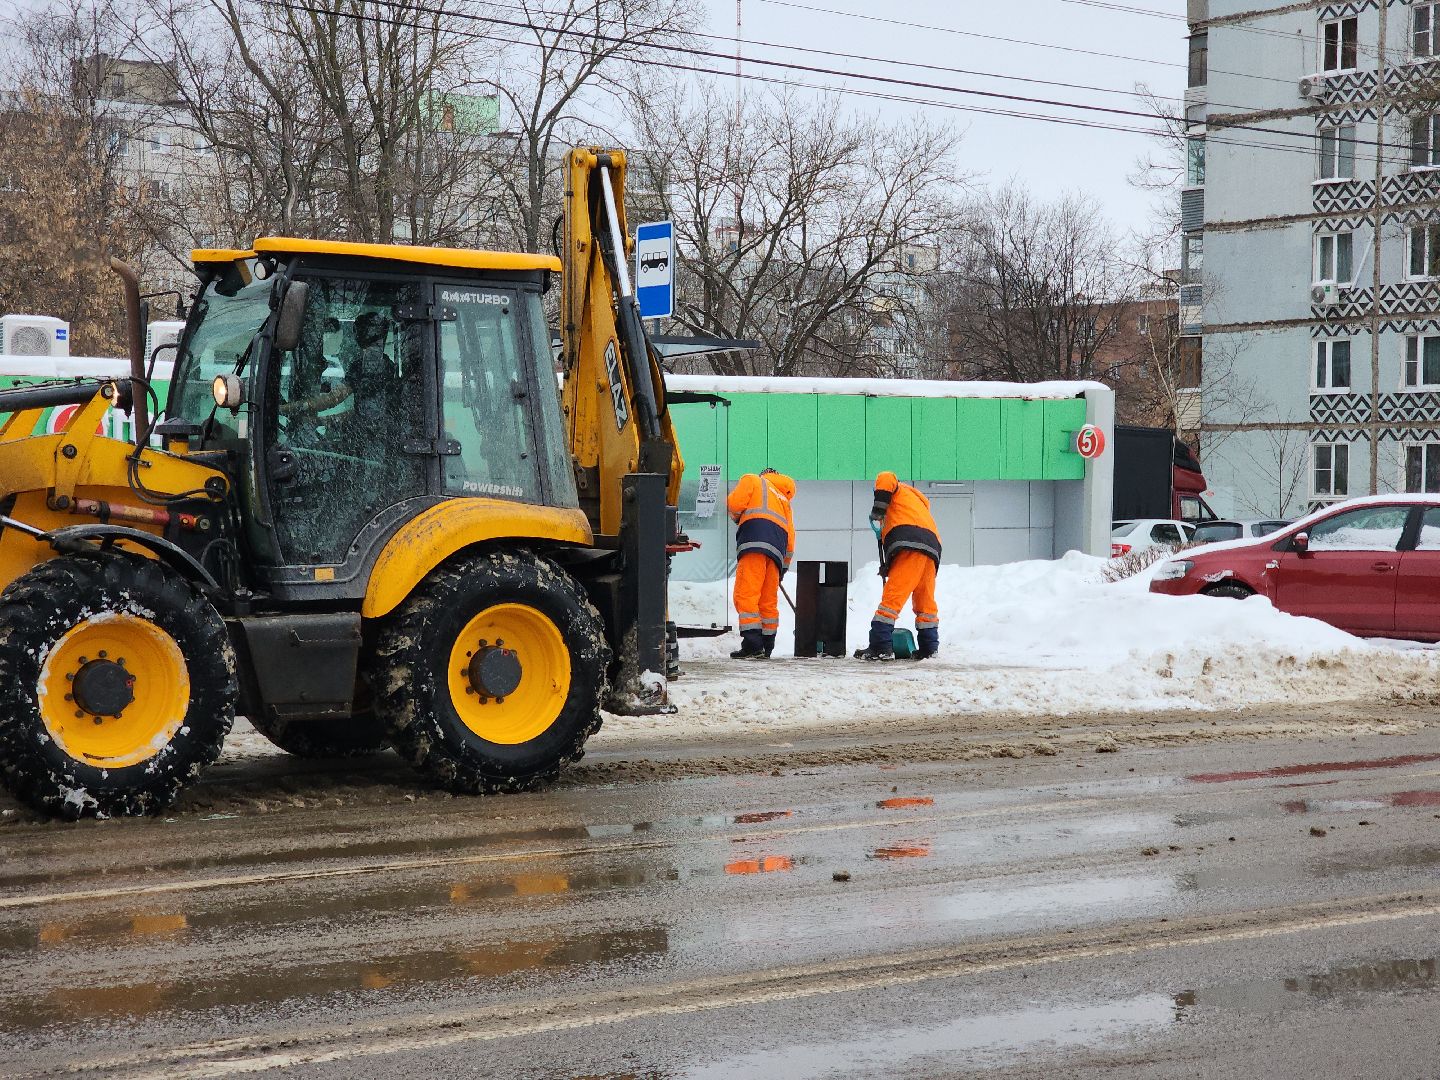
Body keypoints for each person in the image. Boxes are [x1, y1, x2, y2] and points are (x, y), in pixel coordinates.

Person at [856, 470, 941, 661]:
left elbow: (886, 476)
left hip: (909, 545)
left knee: (892, 598)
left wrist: (878, 510)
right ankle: (929, 648)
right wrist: (889, 565)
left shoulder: (897, 488)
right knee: (925, 600)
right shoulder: (915, 502)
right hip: (931, 549)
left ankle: (881, 647)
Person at [726, 468, 796, 660]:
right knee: (767, 601)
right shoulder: (783, 501)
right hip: (777, 553)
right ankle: (767, 645)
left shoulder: (753, 480)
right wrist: (783, 567)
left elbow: (734, 503)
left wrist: (737, 517)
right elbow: (791, 539)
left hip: (754, 542)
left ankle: (752, 645)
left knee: (746, 594)